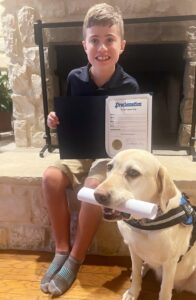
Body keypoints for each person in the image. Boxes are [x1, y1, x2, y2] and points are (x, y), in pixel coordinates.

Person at [40, 2, 139, 296]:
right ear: (84, 45)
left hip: (107, 158)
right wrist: (55, 120)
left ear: (122, 45)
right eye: (94, 40)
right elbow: (71, 116)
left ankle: (75, 258)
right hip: (78, 152)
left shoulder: (129, 85)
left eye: (109, 39)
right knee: (50, 177)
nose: (102, 47)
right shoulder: (74, 78)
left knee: (95, 187)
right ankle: (61, 248)